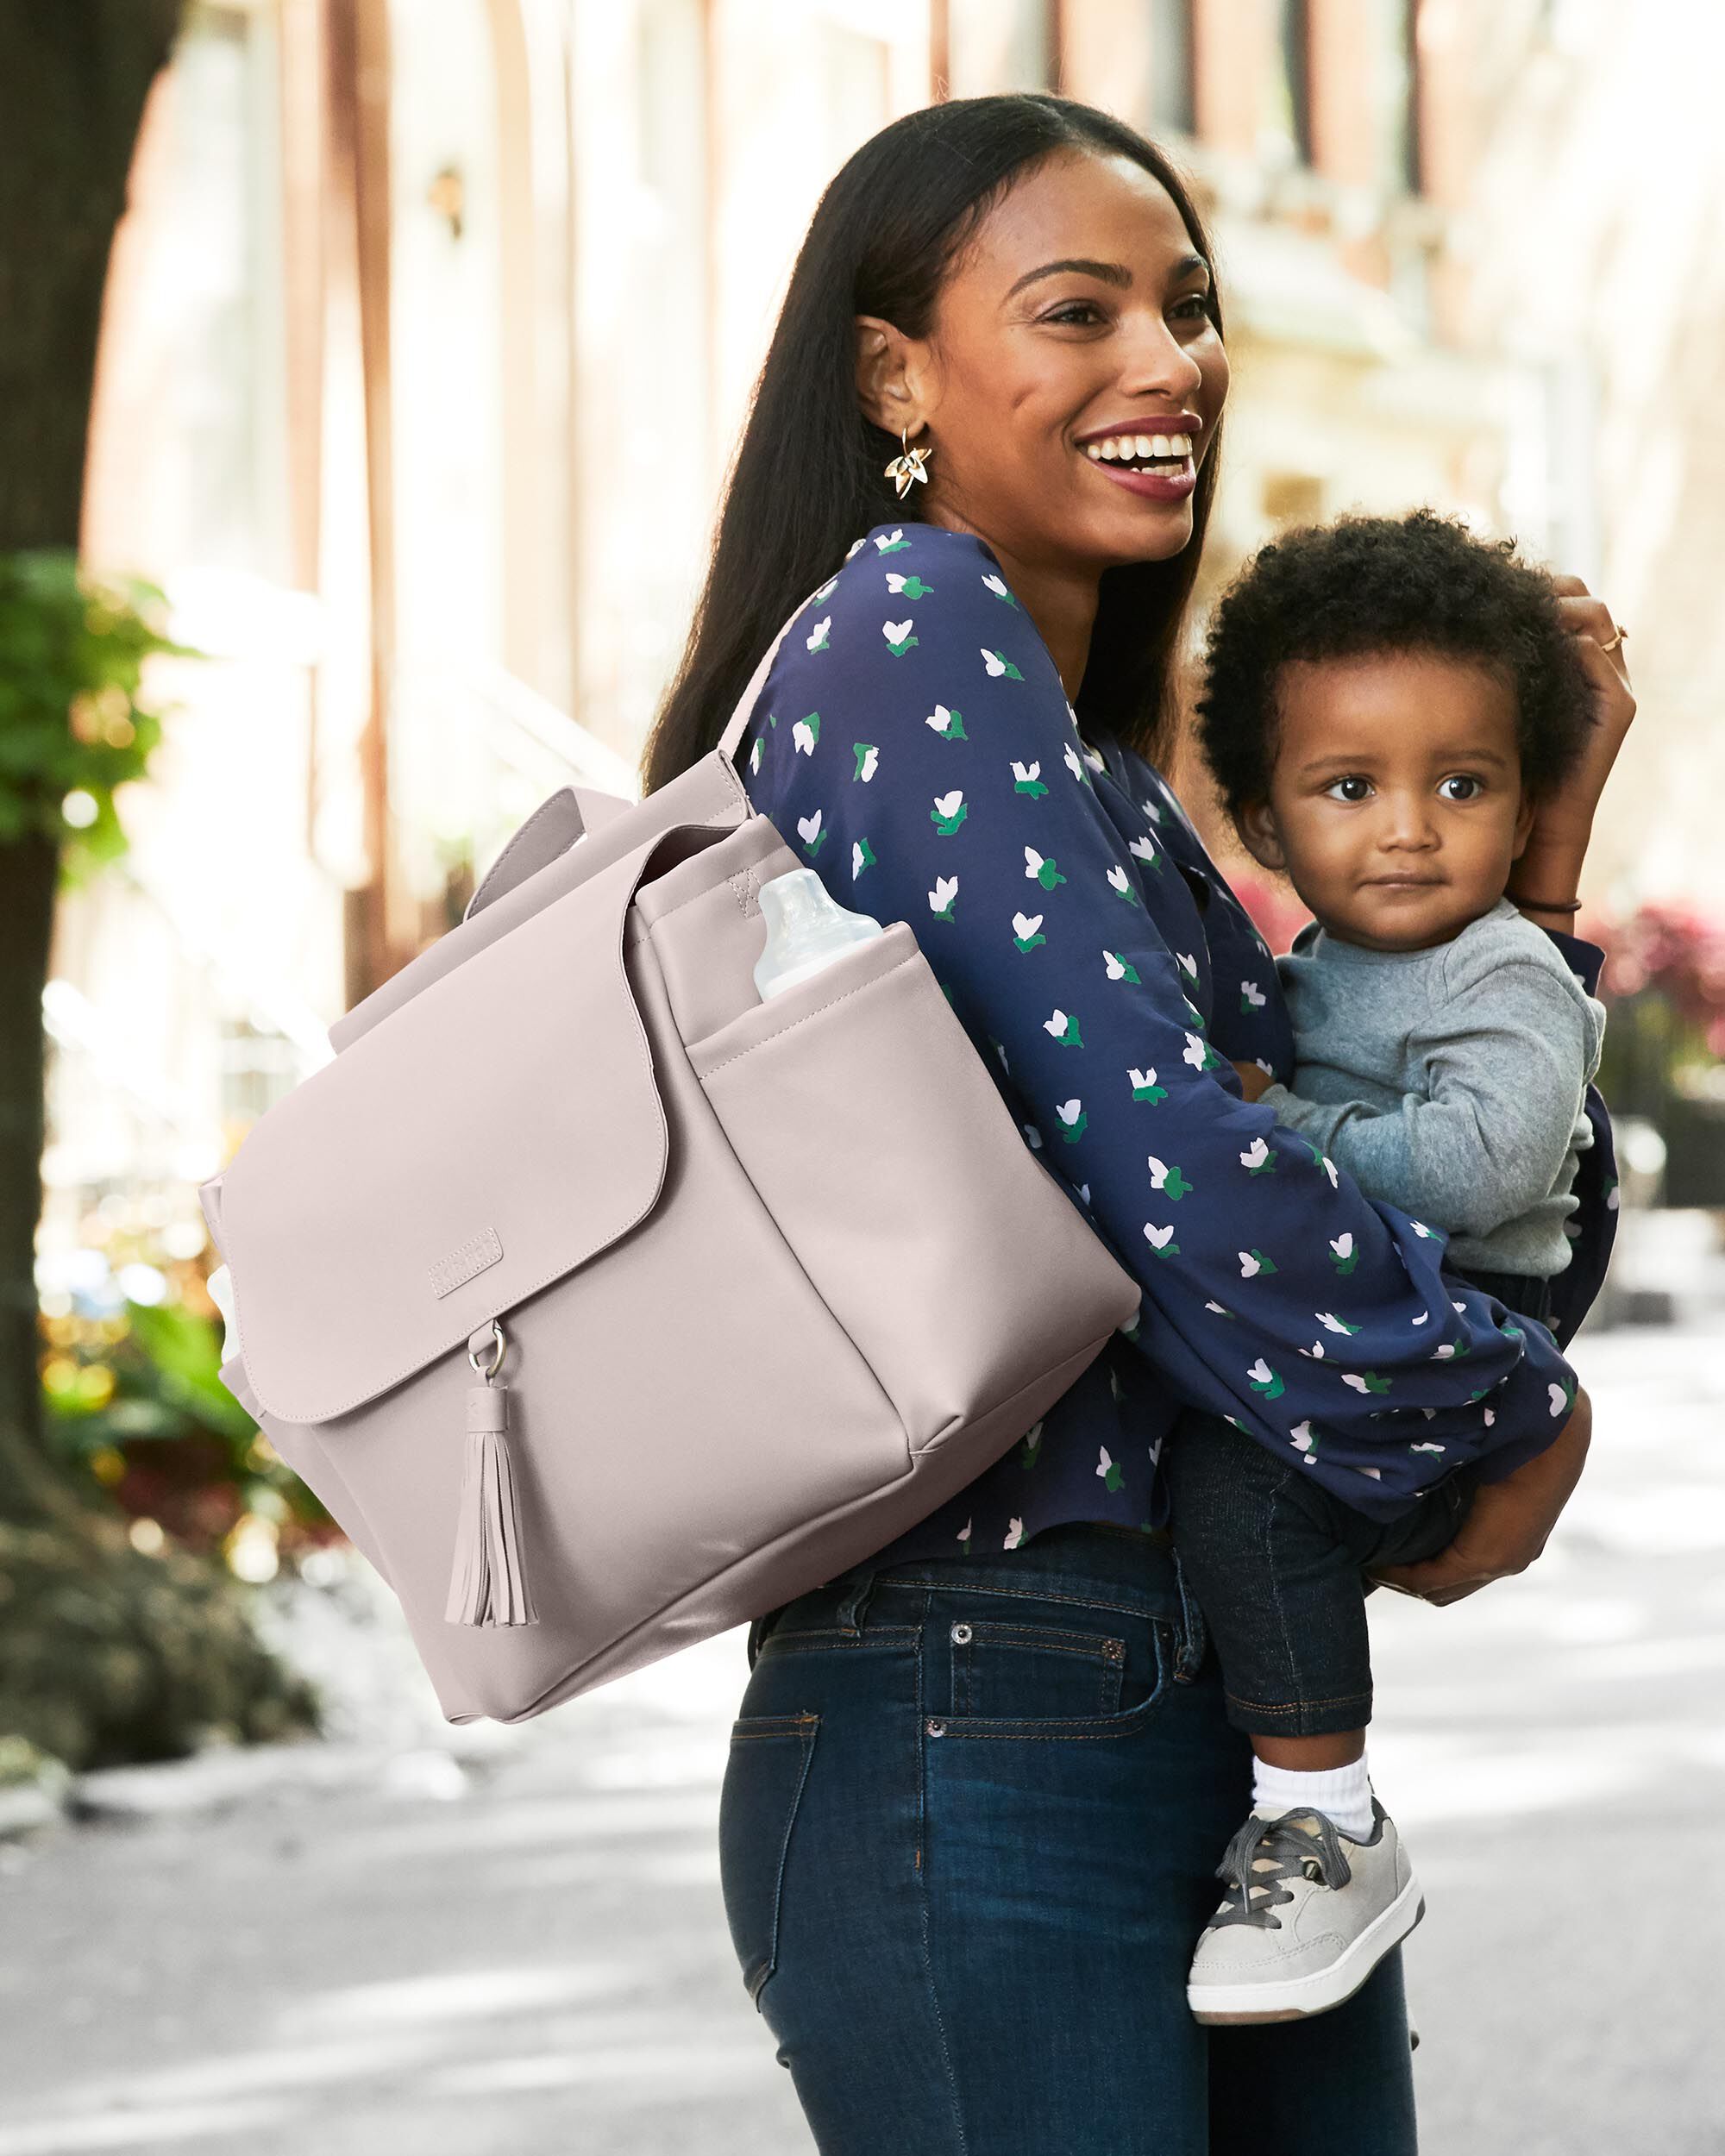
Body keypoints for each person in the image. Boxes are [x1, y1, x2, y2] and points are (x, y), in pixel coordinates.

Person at [640, 92, 1633, 2156]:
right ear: (892, 367)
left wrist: (1536, 869)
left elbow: (1471, 1168)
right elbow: (1177, 1173)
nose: (1164, 363)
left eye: (1185, 310)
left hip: (1187, 1710)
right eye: (1076, 310)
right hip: (976, 1702)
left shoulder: (1089, 772)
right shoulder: (913, 634)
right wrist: (1504, 1415)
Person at [1158, 509, 1610, 2028]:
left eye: (1460, 784)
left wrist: (1276, 1128)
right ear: (1272, 827)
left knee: (1246, 1488)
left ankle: (1329, 1811)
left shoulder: (1504, 970)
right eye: (1351, 788)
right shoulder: (1312, 974)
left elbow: (1487, 1163)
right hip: (1379, 1319)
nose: (1408, 828)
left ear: (1520, 799)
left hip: (1465, 1335)